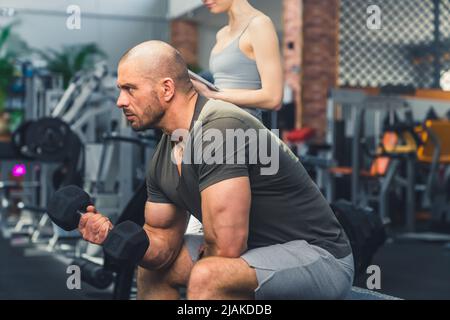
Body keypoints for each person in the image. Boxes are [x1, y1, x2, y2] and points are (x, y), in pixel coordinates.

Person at [78, 41, 354, 300]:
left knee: (210, 276)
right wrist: (112, 236)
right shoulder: (164, 153)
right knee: (154, 270)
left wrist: (207, 253)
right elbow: (161, 245)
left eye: (130, 89)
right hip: (257, 252)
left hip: (319, 257)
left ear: (166, 89)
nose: (120, 101)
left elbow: (226, 248)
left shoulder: (220, 127)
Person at [191, 0, 283, 121]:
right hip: (216, 121)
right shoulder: (222, 34)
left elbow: (273, 98)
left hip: (242, 127)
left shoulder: (259, 24)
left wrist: (212, 95)